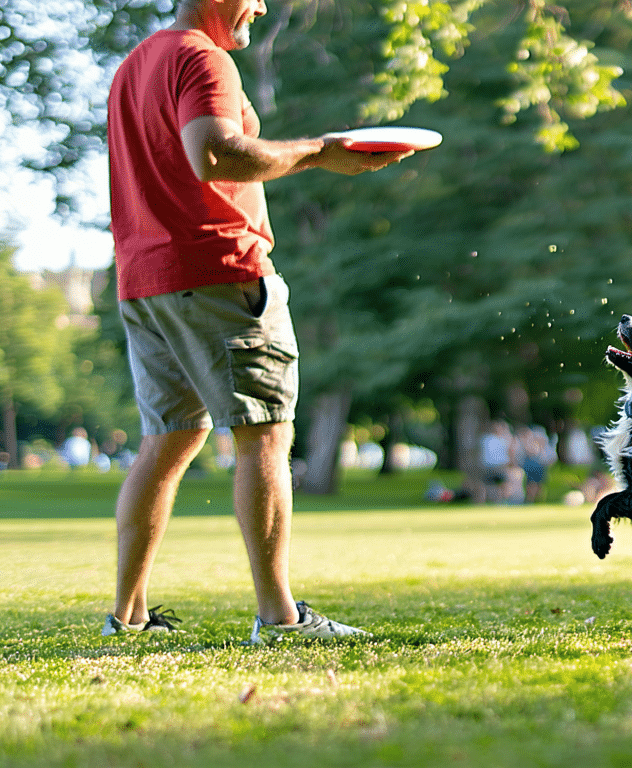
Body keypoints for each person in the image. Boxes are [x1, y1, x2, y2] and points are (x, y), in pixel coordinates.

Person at [104, 0, 415, 642]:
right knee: (265, 434)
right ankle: (279, 618)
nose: (262, 6)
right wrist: (322, 151)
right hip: (218, 270)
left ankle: (127, 616)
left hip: (144, 280)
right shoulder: (201, 56)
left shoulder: (136, 64)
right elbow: (215, 155)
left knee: (170, 440)